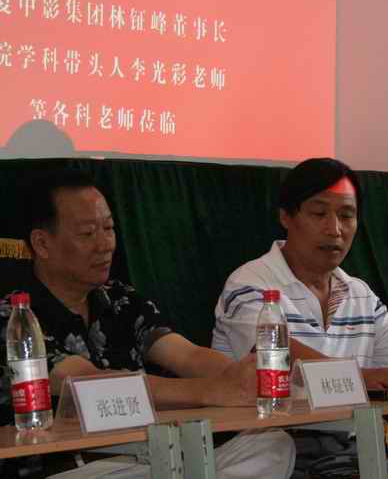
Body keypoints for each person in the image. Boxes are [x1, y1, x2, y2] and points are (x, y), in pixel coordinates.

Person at [0, 169, 295, 479]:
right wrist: (209, 391)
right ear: (42, 244)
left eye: (109, 228)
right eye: (87, 234)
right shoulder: (13, 317)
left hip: (151, 453)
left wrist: (243, 377)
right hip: (71, 466)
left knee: (271, 444)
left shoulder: (121, 299)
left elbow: (187, 355)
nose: (105, 244)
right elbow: (87, 382)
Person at [212, 157, 388, 395]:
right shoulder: (249, 284)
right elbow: (277, 353)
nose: (334, 229)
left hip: (346, 421)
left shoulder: (359, 293)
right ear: (285, 217)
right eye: (319, 213)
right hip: (266, 419)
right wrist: (359, 377)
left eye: (346, 216)